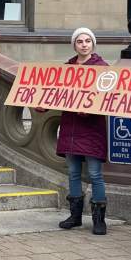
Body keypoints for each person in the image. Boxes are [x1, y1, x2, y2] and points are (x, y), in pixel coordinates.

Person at [55, 27, 109, 235]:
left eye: (88, 41)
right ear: (74, 45)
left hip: (92, 128)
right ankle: (75, 216)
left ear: (93, 44)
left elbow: (106, 97)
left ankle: (98, 219)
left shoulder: (102, 68)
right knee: (73, 173)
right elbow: (54, 92)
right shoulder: (66, 68)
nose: (84, 44)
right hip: (70, 127)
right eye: (80, 41)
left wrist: (89, 109)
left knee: (95, 174)